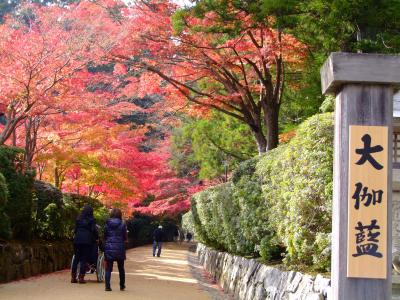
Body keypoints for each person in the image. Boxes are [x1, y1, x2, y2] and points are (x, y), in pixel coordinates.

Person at [71, 205, 98, 284]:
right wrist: (96, 238)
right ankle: (81, 277)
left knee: (76, 258)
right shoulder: (92, 220)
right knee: (83, 258)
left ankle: (73, 277)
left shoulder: (78, 219)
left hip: (77, 240)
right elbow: (93, 230)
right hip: (87, 240)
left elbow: (75, 230)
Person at [104, 208, 127, 292]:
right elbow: (124, 237)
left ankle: (107, 286)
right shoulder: (123, 224)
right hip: (120, 247)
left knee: (108, 269)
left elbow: (105, 235)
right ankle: (122, 286)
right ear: (119, 215)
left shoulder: (107, 224)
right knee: (121, 268)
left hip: (109, 247)